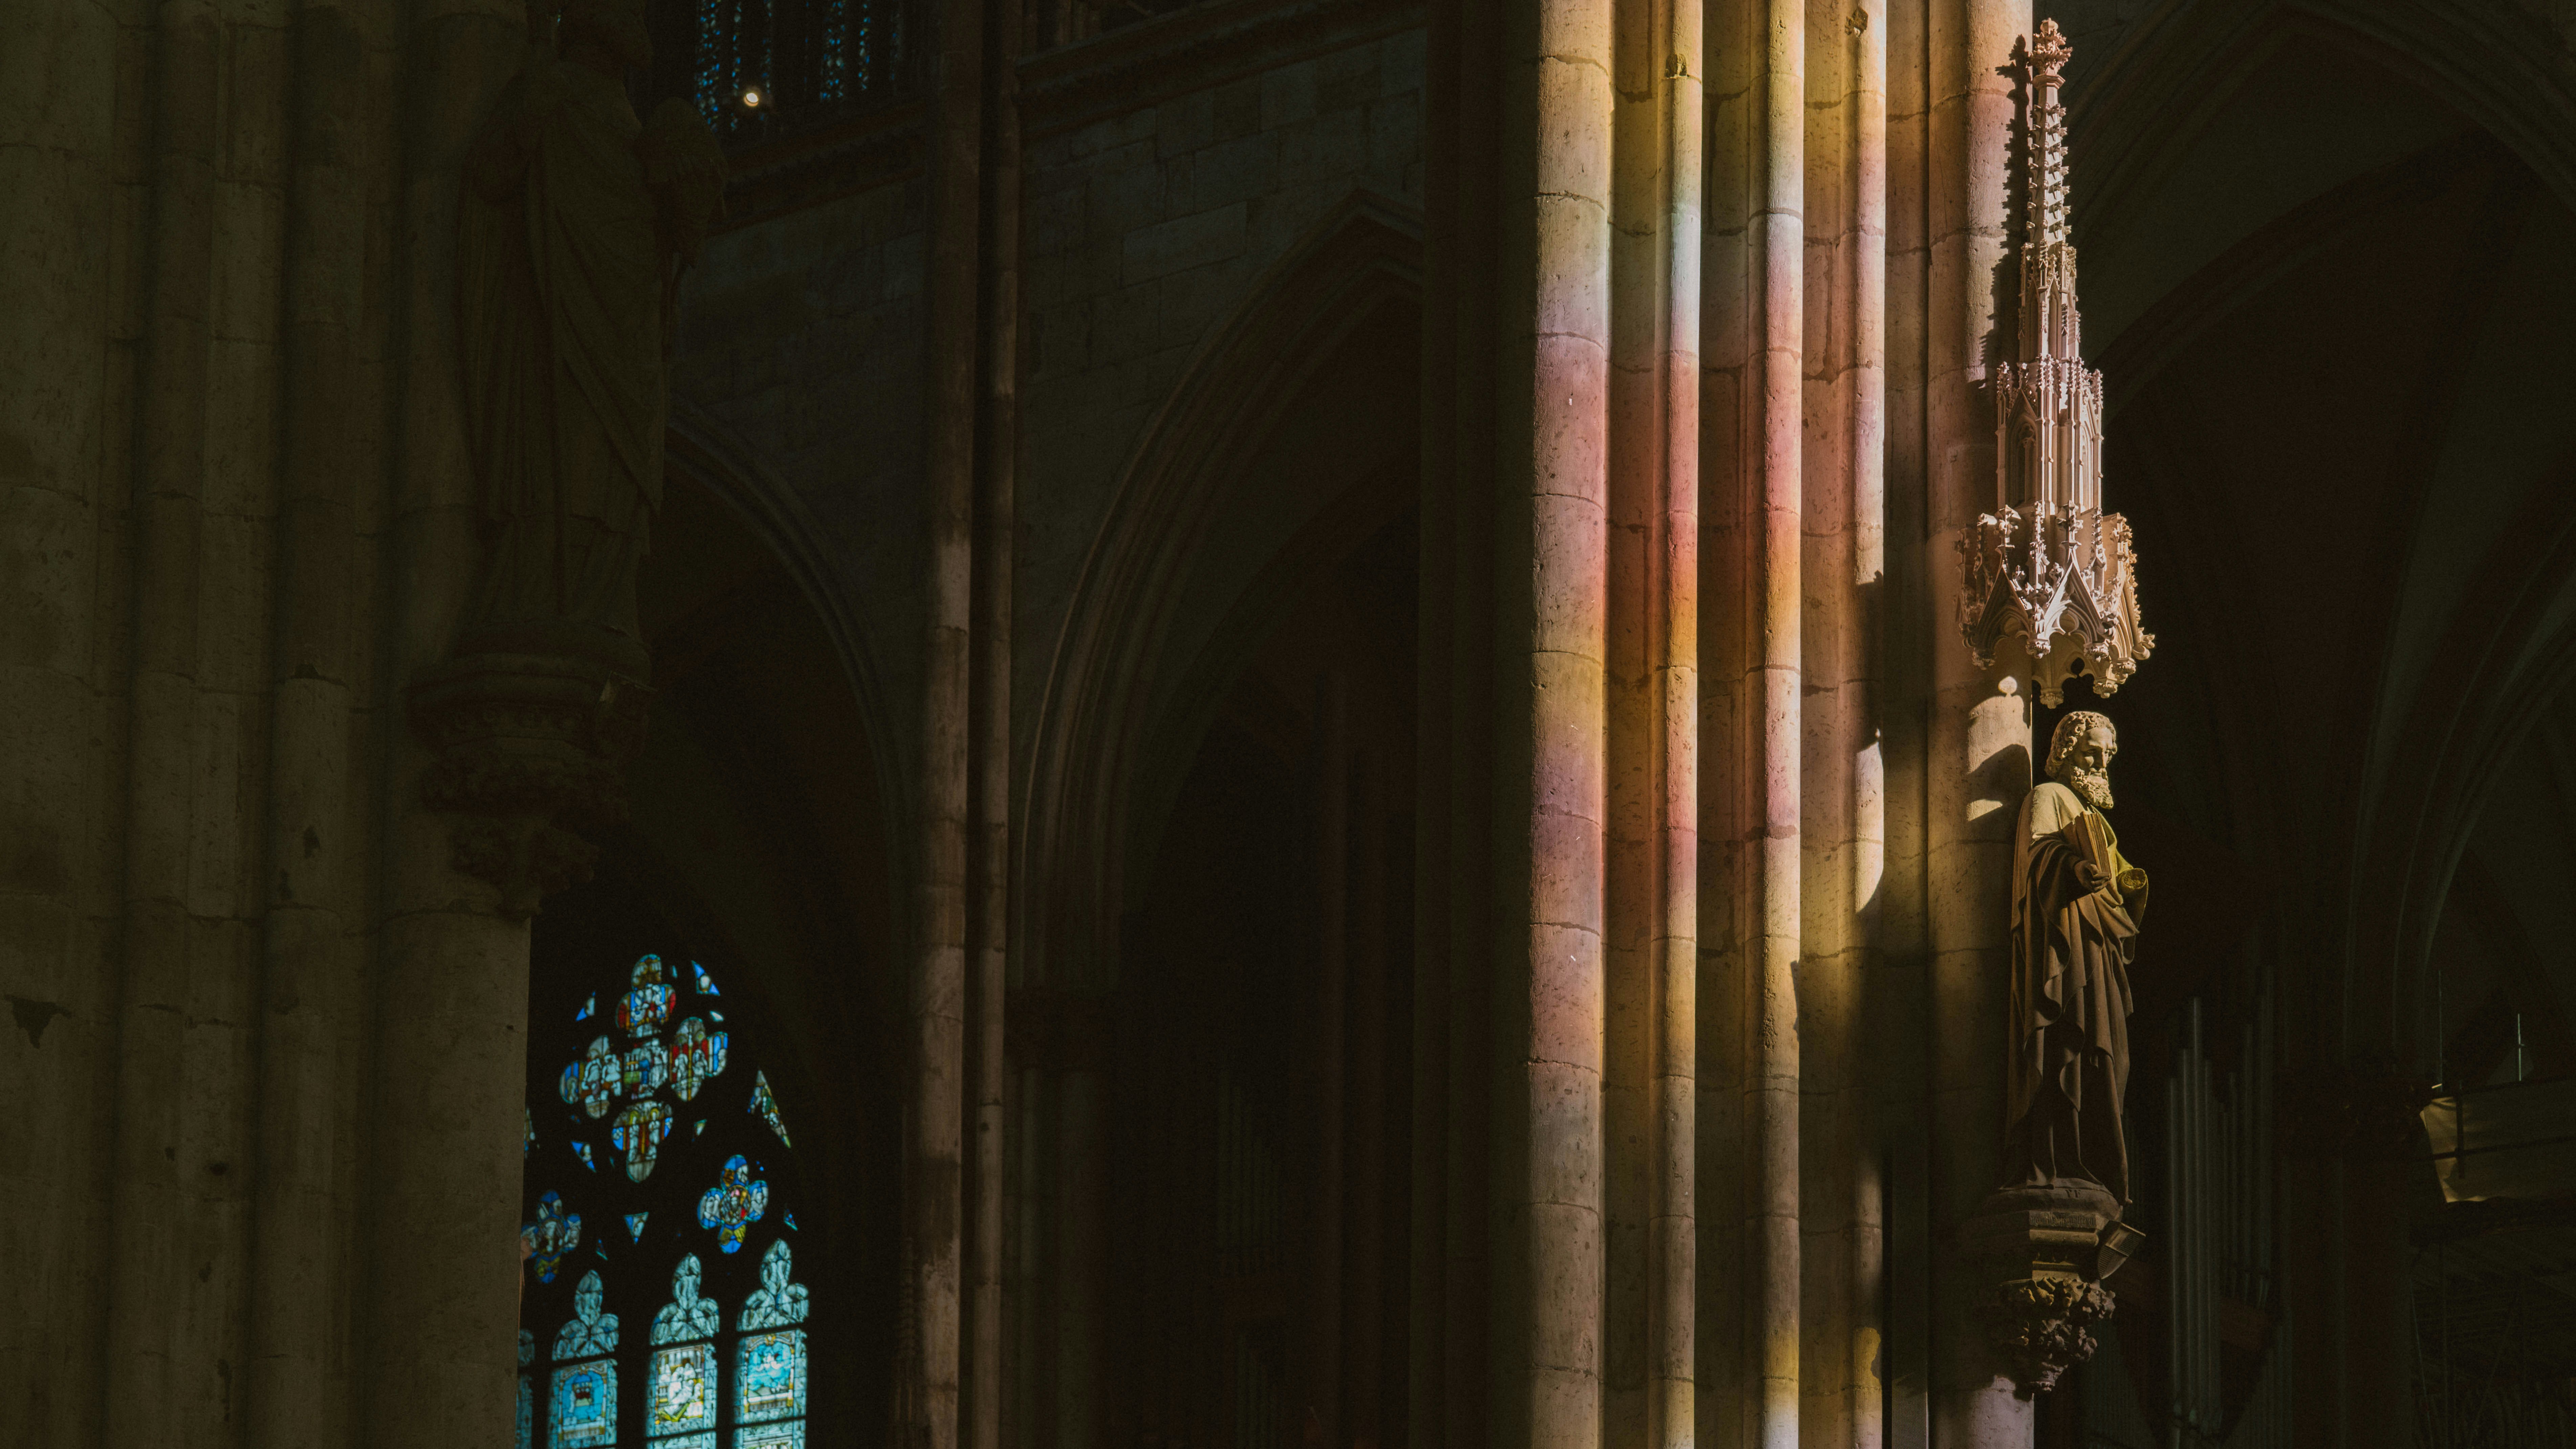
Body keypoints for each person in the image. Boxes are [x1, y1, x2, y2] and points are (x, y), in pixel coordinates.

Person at [2005, 709, 2147, 1203]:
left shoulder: (2091, 813)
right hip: (2066, 951)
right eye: (2092, 751)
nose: (2101, 762)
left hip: (2095, 953)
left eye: (2107, 754)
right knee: (2069, 1041)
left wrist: (2124, 882)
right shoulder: (2048, 796)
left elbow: (2115, 882)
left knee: (2111, 1056)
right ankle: (2060, 1156)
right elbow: (2038, 857)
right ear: (2065, 751)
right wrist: (2074, 866)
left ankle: (2091, 1161)